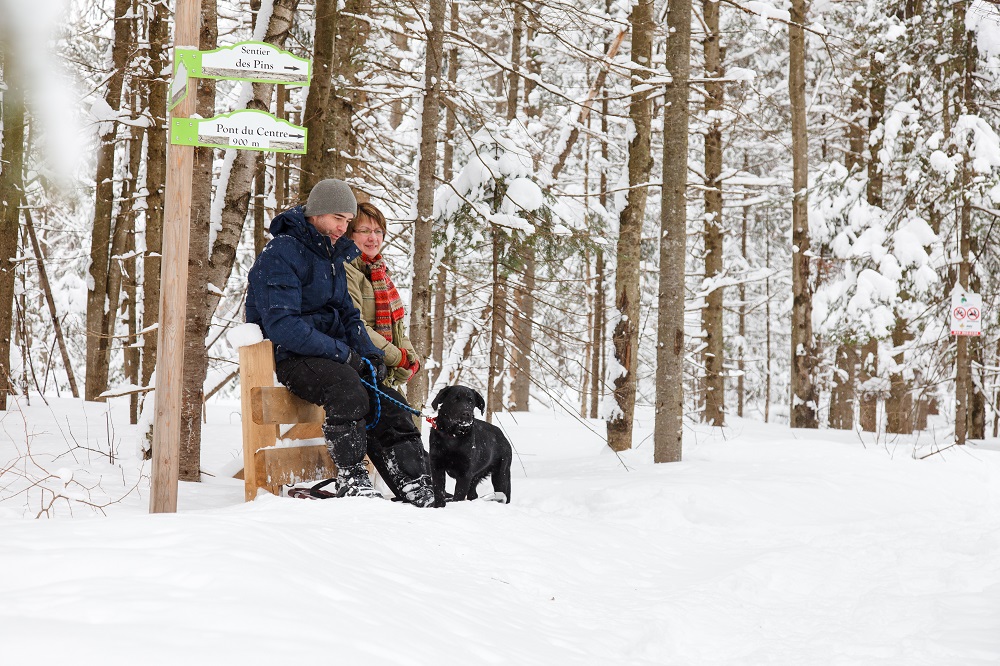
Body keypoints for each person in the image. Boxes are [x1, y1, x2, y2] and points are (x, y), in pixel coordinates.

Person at [245, 179, 436, 507]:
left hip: (330, 356)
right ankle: (351, 477)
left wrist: (370, 354)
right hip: (291, 356)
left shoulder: (331, 256)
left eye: (347, 221)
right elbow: (284, 326)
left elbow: (349, 319)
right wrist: (343, 354)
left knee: (387, 399)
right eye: (338, 218)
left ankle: (415, 481)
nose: (342, 227)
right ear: (316, 213)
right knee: (348, 389)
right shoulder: (282, 253)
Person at [344, 202, 421, 390]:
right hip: (360, 371)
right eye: (365, 231)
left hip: (384, 372)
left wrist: (411, 359)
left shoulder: (380, 273)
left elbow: (397, 328)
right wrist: (397, 358)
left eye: (378, 232)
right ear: (349, 234)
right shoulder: (346, 270)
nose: (373, 238)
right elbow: (357, 325)